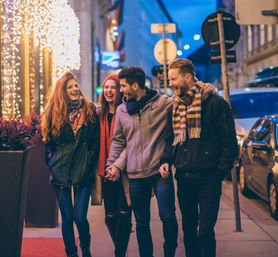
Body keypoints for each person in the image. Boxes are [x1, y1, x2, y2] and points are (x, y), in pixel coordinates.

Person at [159, 58, 238, 257]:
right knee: (189, 231)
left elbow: (229, 142)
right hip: (184, 178)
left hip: (208, 178)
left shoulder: (215, 104)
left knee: (205, 231)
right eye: (170, 79)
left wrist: (219, 171)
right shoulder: (174, 108)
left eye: (174, 79)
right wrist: (166, 161)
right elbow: (170, 139)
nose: (171, 83)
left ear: (188, 77)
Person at [105, 66, 178, 257]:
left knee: (167, 216)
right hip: (135, 175)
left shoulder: (163, 103)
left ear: (136, 85)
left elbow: (185, 100)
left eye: (123, 86)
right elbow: (118, 141)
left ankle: (169, 252)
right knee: (142, 223)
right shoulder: (122, 110)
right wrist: (112, 165)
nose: (121, 90)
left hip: (159, 172)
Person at [41, 71, 100, 257]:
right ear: (63, 91)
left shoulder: (90, 111)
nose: (75, 89)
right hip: (61, 171)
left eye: (76, 85)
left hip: (83, 170)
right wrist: (51, 162)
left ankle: (86, 249)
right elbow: (48, 142)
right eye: (70, 87)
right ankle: (71, 253)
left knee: (80, 217)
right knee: (67, 218)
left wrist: (90, 158)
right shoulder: (54, 113)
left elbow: (95, 140)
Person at [93, 74, 132, 257]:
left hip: (125, 171)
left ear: (119, 90)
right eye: (106, 87)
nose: (109, 91)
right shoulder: (98, 113)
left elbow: (130, 142)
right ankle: (120, 249)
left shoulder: (126, 111)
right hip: (105, 172)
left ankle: (120, 254)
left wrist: (118, 165)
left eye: (113, 87)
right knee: (110, 217)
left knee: (124, 214)